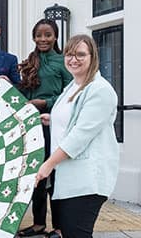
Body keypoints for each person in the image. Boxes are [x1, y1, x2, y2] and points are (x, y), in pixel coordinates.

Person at [36, 34, 119, 238]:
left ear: (93, 57)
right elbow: (71, 119)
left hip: (87, 180)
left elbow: (80, 135)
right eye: (69, 54)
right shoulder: (73, 86)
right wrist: (51, 119)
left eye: (80, 54)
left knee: (77, 233)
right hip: (68, 178)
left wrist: (47, 165)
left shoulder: (100, 90)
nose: (73, 59)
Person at [17, 19, 72, 238]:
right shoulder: (30, 61)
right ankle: (39, 223)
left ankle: (59, 226)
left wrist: (45, 103)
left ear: (55, 37)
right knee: (36, 175)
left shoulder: (63, 62)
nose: (43, 39)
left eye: (47, 35)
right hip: (33, 126)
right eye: (38, 35)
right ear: (33, 37)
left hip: (55, 126)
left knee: (56, 175)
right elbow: (25, 95)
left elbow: (70, 94)